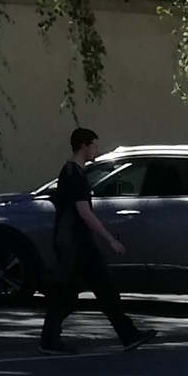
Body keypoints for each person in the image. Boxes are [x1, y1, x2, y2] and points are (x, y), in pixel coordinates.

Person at [41, 127, 149, 351]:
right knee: (65, 294)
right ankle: (50, 339)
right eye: (94, 146)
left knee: (105, 288)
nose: (96, 151)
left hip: (82, 242)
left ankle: (128, 335)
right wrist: (111, 240)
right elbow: (84, 212)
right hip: (73, 241)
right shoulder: (73, 174)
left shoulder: (76, 172)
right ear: (84, 146)